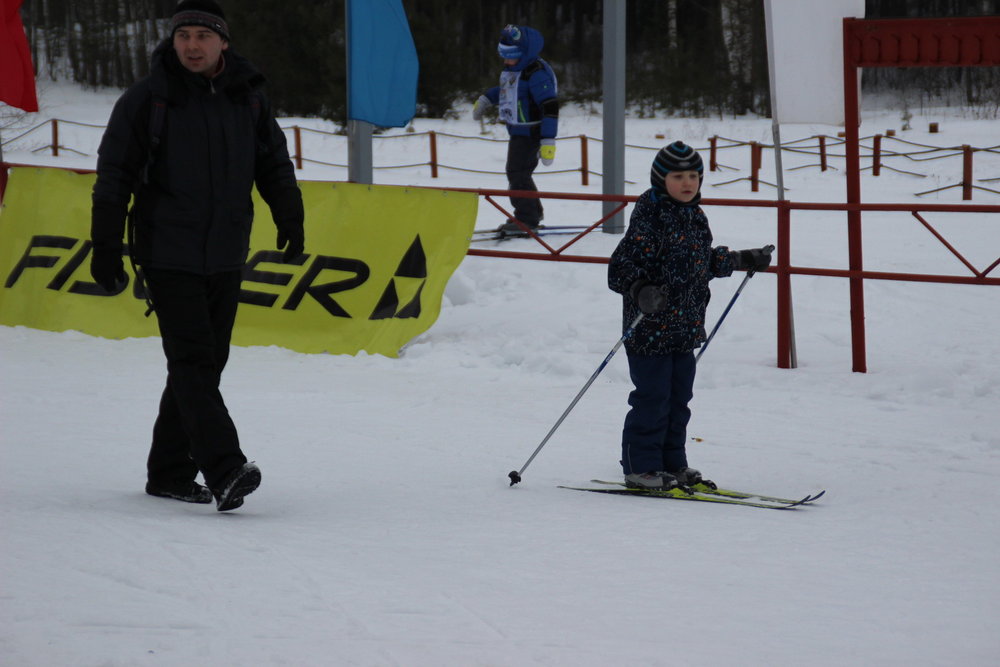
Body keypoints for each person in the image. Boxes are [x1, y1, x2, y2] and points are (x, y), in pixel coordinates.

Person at [89, 0, 305, 511]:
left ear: (223, 43)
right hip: (167, 250)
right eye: (183, 35)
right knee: (192, 360)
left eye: (202, 37)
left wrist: (290, 218)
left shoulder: (246, 97)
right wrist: (106, 246)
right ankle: (225, 467)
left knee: (205, 364)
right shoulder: (149, 99)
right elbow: (113, 176)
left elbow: (273, 161)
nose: (192, 46)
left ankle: (169, 471)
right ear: (173, 41)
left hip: (227, 249)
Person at [607, 141, 771, 491]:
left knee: (679, 400)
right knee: (652, 399)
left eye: (694, 175)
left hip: (685, 328)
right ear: (660, 179)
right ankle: (641, 467)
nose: (688, 183)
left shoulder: (695, 217)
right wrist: (640, 290)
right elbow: (619, 268)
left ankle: (672, 463)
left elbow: (701, 263)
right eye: (678, 176)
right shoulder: (648, 218)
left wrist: (742, 258)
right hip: (649, 329)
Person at [472, 24, 559, 236]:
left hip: (531, 132)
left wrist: (548, 140)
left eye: (510, 56)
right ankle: (530, 215)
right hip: (518, 131)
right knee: (517, 172)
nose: (506, 61)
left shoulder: (537, 74)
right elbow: (508, 90)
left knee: (518, 173)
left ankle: (527, 219)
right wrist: (486, 98)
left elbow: (550, 106)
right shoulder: (515, 69)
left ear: (524, 54)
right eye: (503, 55)